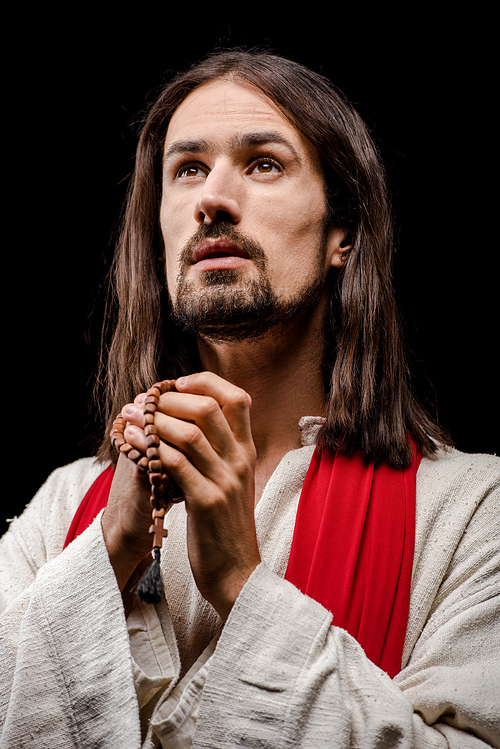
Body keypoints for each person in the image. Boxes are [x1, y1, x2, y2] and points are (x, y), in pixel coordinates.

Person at [1, 49, 499, 748]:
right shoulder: (60, 510)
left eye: (263, 163)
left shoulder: (474, 510)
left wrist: (243, 585)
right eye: (188, 169)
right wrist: (112, 548)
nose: (212, 198)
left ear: (342, 233)